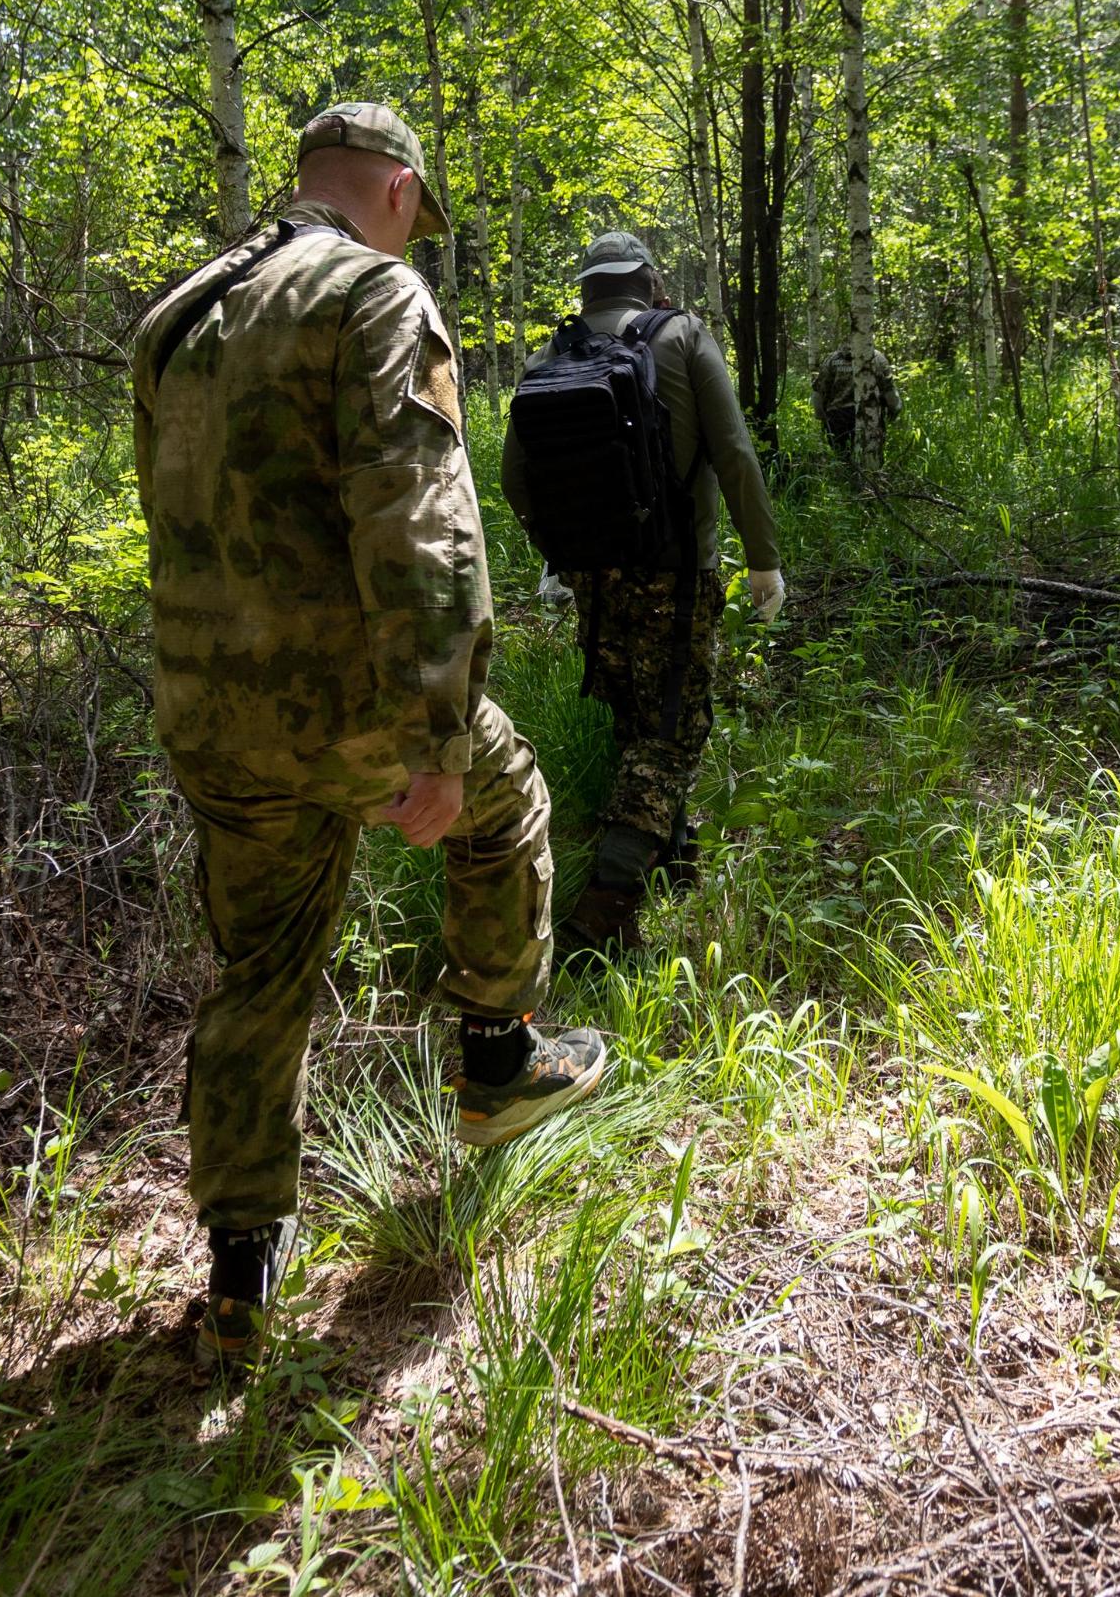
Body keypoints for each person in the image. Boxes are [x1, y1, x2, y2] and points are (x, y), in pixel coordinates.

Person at [131, 101, 611, 1367]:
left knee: (262, 970)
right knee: (507, 801)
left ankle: (239, 1276)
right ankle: (500, 1057)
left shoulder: (178, 316)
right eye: (422, 218)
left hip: (210, 720)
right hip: (342, 711)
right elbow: (424, 530)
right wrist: (437, 734)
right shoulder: (372, 296)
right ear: (396, 191)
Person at [500, 232, 785, 952]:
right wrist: (764, 561)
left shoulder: (549, 358)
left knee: (640, 719)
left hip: (594, 577)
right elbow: (736, 454)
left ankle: (673, 859)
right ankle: (600, 915)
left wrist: (558, 557)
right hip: (676, 574)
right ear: (648, 281)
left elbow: (513, 477)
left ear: (588, 289)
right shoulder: (683, 335)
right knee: (668, 736)